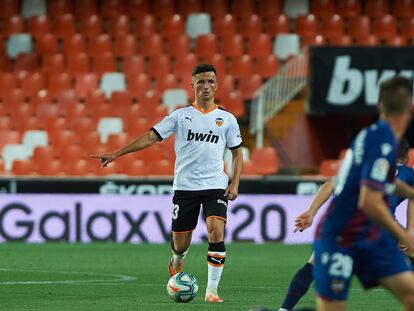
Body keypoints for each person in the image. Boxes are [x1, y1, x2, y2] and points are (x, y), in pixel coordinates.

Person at [91, 64, 243, 303]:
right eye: (201, 82)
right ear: (192, 85)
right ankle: (177, 257)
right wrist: (116, 153)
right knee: (181, 242)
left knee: (216, 229)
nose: (206, 87)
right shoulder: (180, 116)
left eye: (211, 82)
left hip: (215, 185)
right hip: (185, 187)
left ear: (217, 85)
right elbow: (151, 136)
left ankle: (212, 290)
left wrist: (234, 183)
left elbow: (237, 152)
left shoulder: (227, 119)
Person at [313, 76, 414, 311]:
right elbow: (369, 201)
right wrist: (403, 234)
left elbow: (385, 181)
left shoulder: (375, 135)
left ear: (380, 105)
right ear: (410, 108)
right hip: (341, 236)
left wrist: (411, 193)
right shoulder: (383, 141)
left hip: (369, 237)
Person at [279, 139, 414, 311]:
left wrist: (311, 212)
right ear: (405, 157)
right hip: (374, 225)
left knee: (313, 265)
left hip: (340, 222)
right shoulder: (407, 173)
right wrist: (409, 231)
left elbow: (329, 185)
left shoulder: (361, 166)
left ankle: (284, 309)